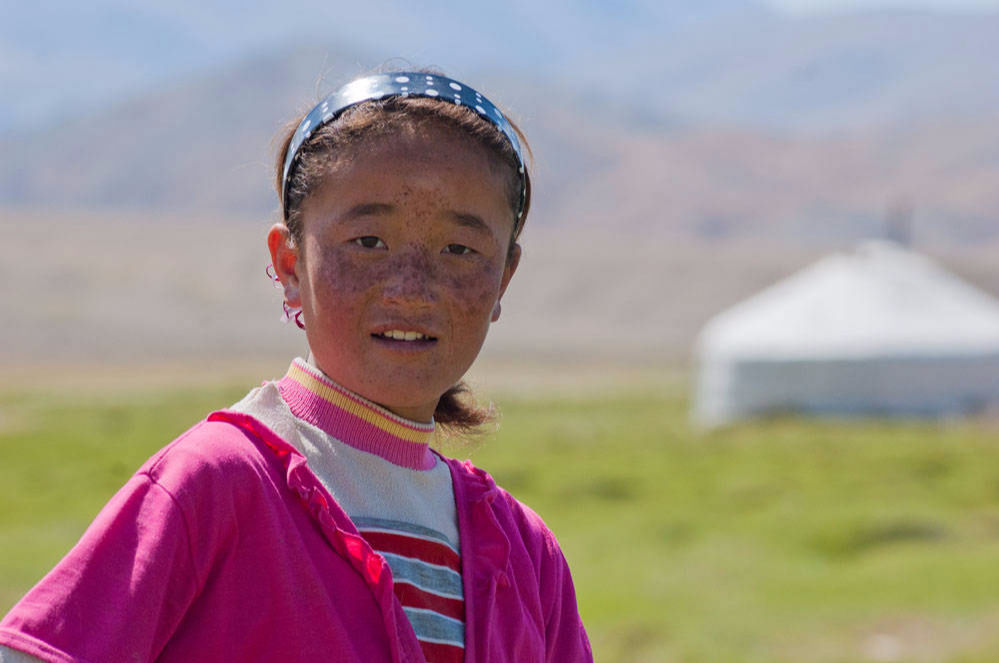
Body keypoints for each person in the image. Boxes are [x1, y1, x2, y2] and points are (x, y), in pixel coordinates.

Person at [0, 71, 592, 662]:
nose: (412, 289)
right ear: (288, 264)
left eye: (459, 250)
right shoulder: (216, 483)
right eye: (368, 241)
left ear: (503, 279)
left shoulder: (525, 553)